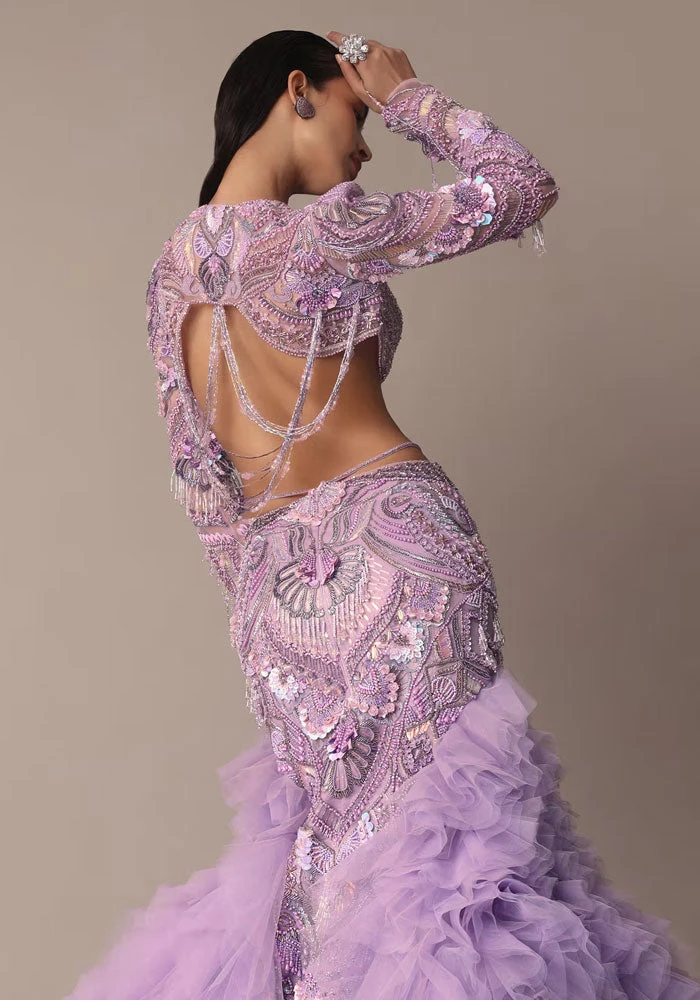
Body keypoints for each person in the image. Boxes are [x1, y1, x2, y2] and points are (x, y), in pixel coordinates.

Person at [64, 28, 699, 1000]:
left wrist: (266, 623)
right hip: (402, 551)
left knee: (334, 857)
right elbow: (518, 186)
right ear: (298, 90)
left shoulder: (168, 281)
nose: (364, 148)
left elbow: (206, 494)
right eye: (353, 114)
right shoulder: (324, 232)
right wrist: (411, 97)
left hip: (273, 601)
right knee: (447, 850)